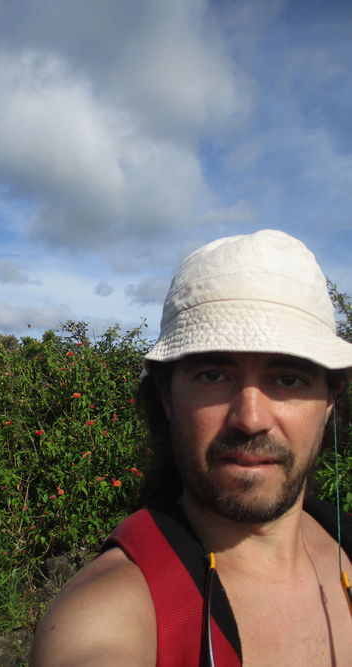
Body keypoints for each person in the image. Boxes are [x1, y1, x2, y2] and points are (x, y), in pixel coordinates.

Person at [30, 230, 352, 666]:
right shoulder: (113, 608)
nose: (251, 418)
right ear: (166, 395)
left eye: (288, 378)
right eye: (214, 375)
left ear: (329, 400)